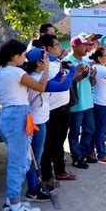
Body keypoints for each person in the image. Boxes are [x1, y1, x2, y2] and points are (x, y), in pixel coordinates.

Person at [0, 40, 49, 211]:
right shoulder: (16, 72)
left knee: (21, 161)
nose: (25, 58)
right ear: (14, 55)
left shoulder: (0, 71)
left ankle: (11, 201)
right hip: (18, 118)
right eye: (23, 55)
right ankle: (16, 206)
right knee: (17, 165)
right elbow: (41, 87)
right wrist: (47, 68)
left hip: (8, 117)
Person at [23, 48, 76, 201]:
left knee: (36, 156)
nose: (49, 62)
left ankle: (35, 185)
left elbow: (52, 82)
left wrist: (60, 73)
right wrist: (71, 72)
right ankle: (33, 189)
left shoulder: (37, 76)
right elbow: (62, 87)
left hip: (40, 119)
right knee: (36, 157)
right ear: (40, 63)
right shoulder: (36, 78)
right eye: (46, 60)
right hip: (37, 121)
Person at [33, 35, 79, 182]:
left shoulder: (56, 63)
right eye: (57, 44)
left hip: (63, 109)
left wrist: (63, 72)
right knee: (50, 144)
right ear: (47, 49)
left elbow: (58, 80)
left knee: (59, 142)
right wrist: (72, 72)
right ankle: (47, 176)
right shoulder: (44, 67)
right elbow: (59, 85)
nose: (60, 46)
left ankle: (60, 171)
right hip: (52, 110)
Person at [63, 35, 97, 169]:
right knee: (75, 131)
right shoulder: (67, 61)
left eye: (87, 46)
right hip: (76, 103)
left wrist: (93, 78)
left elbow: (91, 83)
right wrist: (81, 75)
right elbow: (68, 81)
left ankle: (84, 154)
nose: (87, 48)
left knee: (90, 129)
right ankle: (76, 157)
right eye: (84, 46)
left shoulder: (86, 62)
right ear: (75, 47)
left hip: (88, 101)